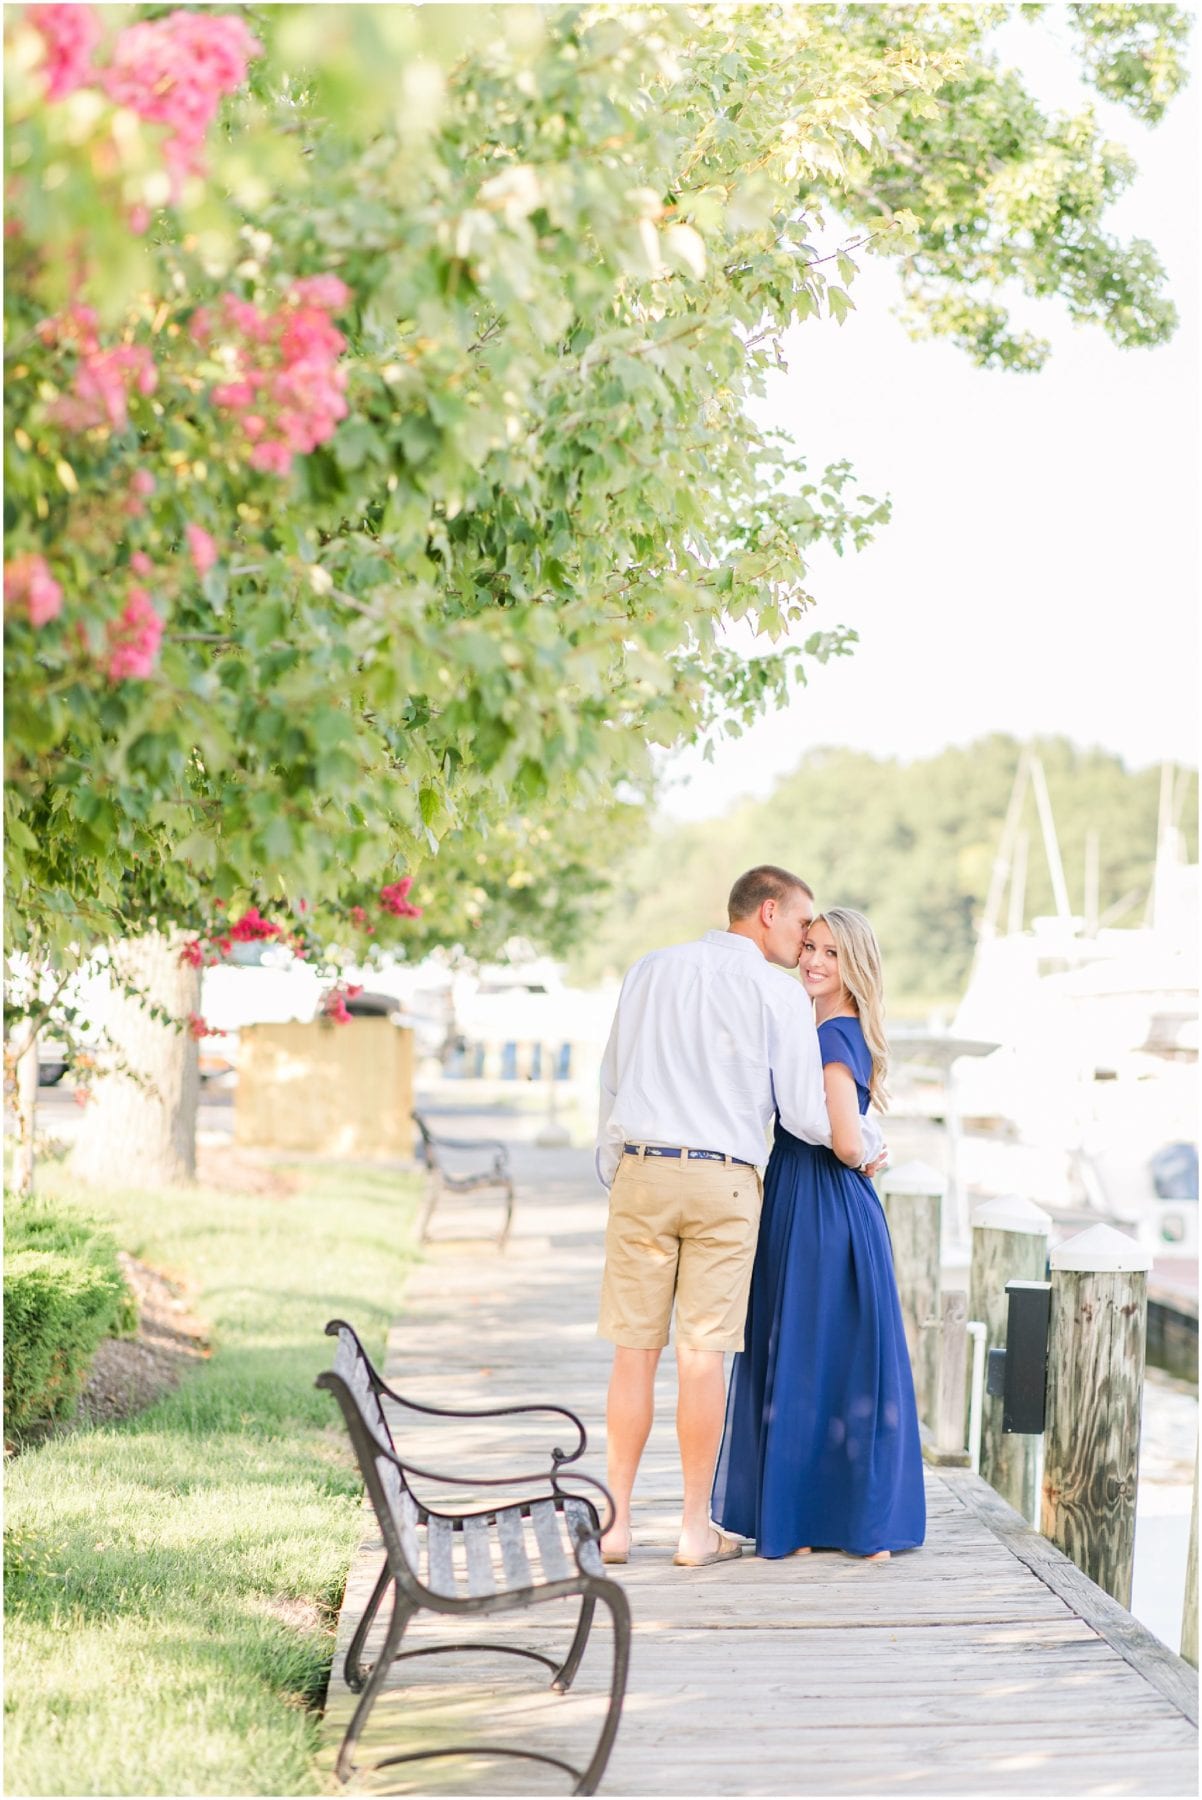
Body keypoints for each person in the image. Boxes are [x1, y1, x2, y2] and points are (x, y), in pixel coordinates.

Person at [595, 868, 886, 1568]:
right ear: (767, 912)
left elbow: (611, 1074)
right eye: (798, 927)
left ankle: (617, 1525)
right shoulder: (775, 993)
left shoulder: (649, 969)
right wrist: (871, 1145)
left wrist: (617, 1168)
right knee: (703, 1357)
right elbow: (804, 1115)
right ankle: (695, 1530)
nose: (803, 946)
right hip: (723, 1183)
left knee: (633, 1353)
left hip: (642, 1168)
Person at [712, 907, 925, 1561]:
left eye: (830, 952)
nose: (813, 961)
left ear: (854, 965)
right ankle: (816, 1519)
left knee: (811, 1350)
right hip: (811, 1198)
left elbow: (843, 1138)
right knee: (820, 1351)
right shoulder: (818, 1027)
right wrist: (864, 1149)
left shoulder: (835, 1033)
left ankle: (814, 1521)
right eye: (808, 946)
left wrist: (865, 1151)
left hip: (821, 1201)